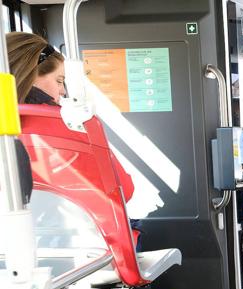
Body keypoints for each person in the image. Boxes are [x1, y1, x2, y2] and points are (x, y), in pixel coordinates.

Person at [7, 32, 142, 250]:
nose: (62, 91)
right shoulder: (71, 125)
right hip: (86, 254)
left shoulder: (9, 134)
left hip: (13, 253)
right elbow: (125, 190)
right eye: (59, 81)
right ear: (31, 75)